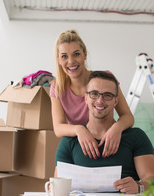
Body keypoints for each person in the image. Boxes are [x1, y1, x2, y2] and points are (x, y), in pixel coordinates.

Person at [54, 71, 154, 193]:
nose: (100, 101)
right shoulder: (69, 141)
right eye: (94, 94)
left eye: (107, 95)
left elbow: (153, 181)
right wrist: (53, 189)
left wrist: (139, 186)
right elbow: (57, 187)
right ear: (86, 98)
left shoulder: (135, 137)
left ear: (116, 101)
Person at [50, 29, 134, 159]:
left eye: (76, 54)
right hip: (81, 146)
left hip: (109, 141)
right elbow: (58, 128)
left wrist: (116, 128)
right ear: (58, 60)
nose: (71, 61)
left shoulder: (105, 79)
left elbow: (128, 117)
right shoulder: (57, 88)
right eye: (64, 56)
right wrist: (80, 130)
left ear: (85, 54)